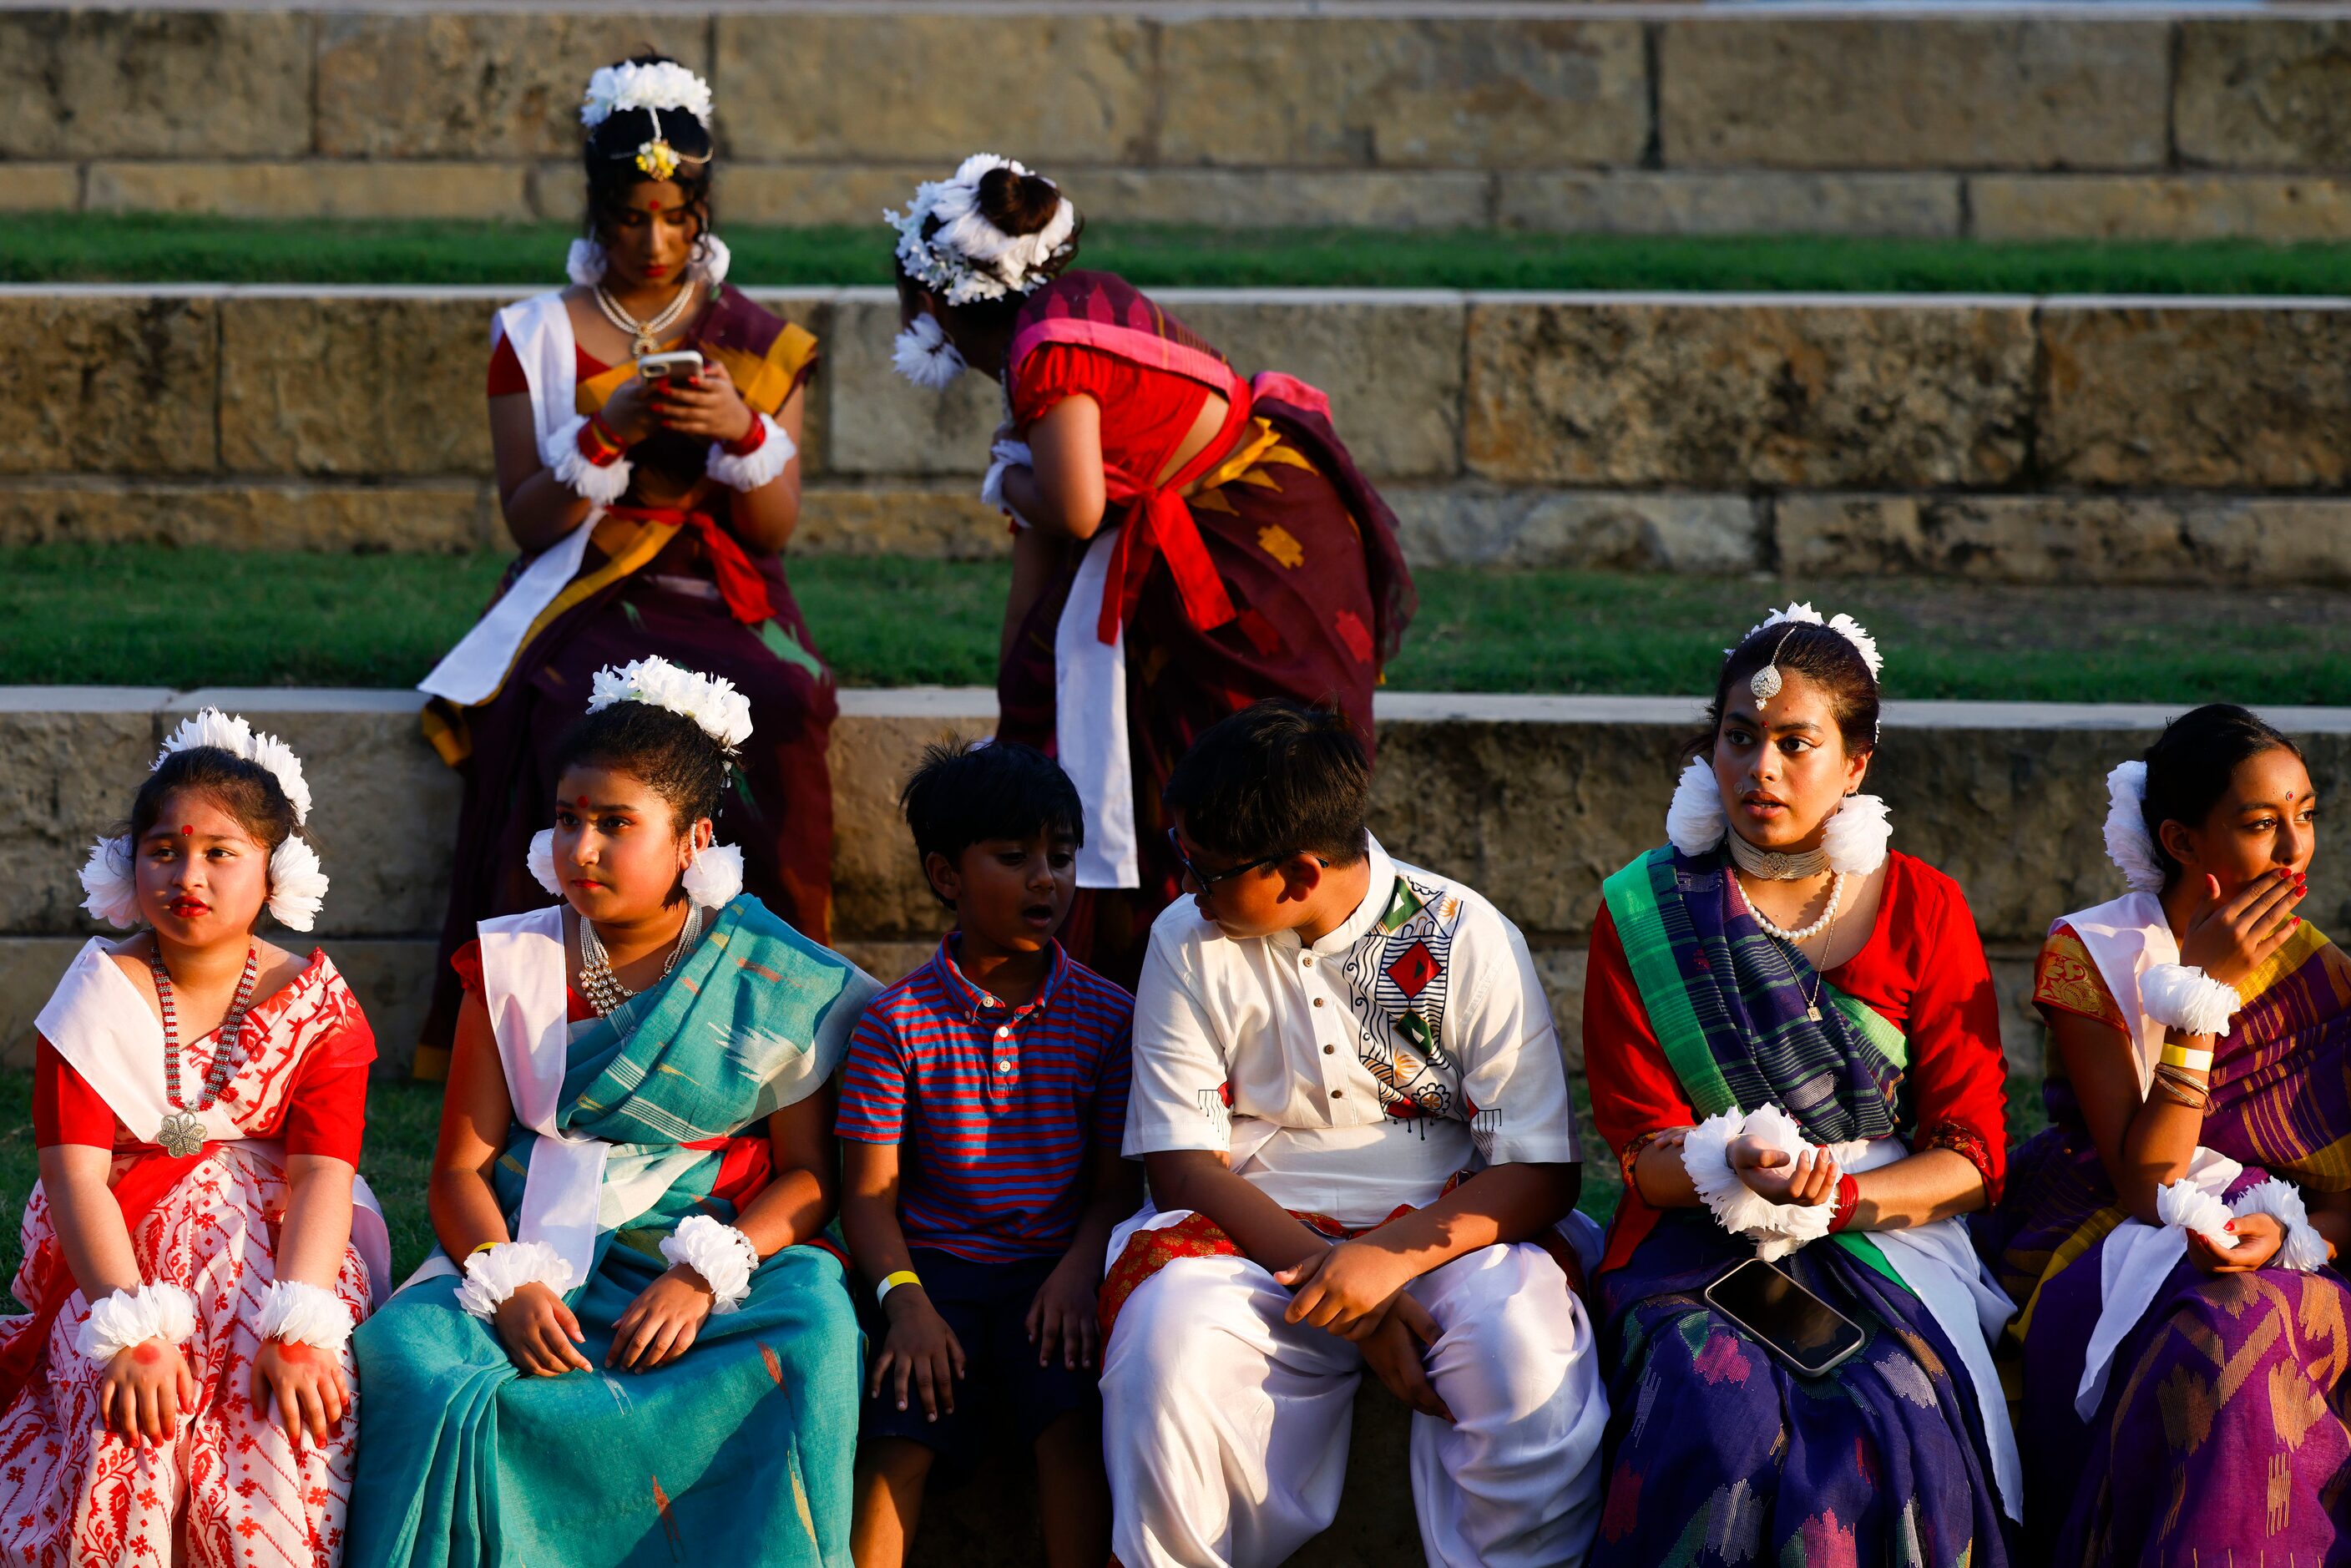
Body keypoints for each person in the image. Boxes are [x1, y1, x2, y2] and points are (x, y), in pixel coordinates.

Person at [346, 656, 873, 1568]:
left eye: (615, 825)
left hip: (705, 1242)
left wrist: (705, 1276)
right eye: (566, 819)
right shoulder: (509, 965)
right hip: (529, 1235)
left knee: (815, 1334)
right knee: (412, 1361)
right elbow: (459, 1171)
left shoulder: (766, 974)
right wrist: (508, 1284)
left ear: (692, 839)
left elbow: (806, 1178)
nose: (580, 849)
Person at [886, 154, 1417, 989]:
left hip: (1245, 544)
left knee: (1260, 779)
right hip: (1247, 524)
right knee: (1154, 754)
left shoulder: (1041, 348)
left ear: (930, 306)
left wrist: (1009, 476)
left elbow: (1072, 510)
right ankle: (1168, 976)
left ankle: (1257, 971)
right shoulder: (1068, 309)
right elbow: (1039, 594)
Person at [1100, 700, 1605, 1568]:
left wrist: (1386, 1263)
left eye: (1208, 871)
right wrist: (1353, 1302)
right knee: (1165, 1349)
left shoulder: (1462, 936)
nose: (1186, 887)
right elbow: (1181, 1167)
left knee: (1524, 1357)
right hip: (1245, 1239)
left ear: (1296, 874)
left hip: (1446, 1234)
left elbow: (1537, 1171)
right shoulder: (1188, 942)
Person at [415, 53, 834, 1075]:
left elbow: (774, 527)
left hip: (722, 577)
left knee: (779, 704)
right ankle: (565, 1009)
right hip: (584, 576)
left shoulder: (758, 342)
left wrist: (738, 424)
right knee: (570, 712)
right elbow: (527, 520)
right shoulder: (535, 335)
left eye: (675, 216)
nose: (653, 241)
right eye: (629, 216)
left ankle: (765, 1005)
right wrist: (602, 432)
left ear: (703, 212)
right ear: (597, 211)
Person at [1581, 604, 2020, 1565]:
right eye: (1739, 738)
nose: (1760, 769)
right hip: (1699, 1238)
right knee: (1713, 1406)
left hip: (1886, 1237)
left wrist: (1840, 1201)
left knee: (1891, 1415)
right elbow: (1636, 1151)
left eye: (1794, 743)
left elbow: (1973, 1157)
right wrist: (1728, 1163)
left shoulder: (1922, 905)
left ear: (1854, 764)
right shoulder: (1645, 912)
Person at [0, 711, 389, 1566]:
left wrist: (297, 1322)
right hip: (120, 1250)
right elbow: (76, 1180)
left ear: (274, 873)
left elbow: (325, 1173)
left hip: (280, 1247)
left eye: (221, 852)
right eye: (164, 849)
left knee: (286, 1403)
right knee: (136, 1407)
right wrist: (128, 1324)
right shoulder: (97, 994)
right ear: (129, 862)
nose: (189, 874)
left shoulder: (318, 1005)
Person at [1979, 704, 2351, 1562]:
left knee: (2244, 1327)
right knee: (2220, 1337)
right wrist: (2198, 999)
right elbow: (2147, 1184)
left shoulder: (2324, 978)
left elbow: (2343, 1208)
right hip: (2108, 1240)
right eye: (2260, 825)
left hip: (2284, 1259)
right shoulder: (2094, 956)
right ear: (2181, 842)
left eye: (2304, 817)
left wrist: (2289, 1234)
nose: (2294, 851)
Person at [837, 740, 1136, 1568]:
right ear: (945, 876)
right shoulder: (895, 1023)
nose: (1046, 879)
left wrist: (1078, 1274)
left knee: (1071, 1427)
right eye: (1013, 858)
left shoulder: (1109, 1018)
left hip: (1055, 1271)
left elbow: (1116, 1188)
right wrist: (906, 1304)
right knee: (901, 1432)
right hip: (932, 1271)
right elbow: (867, 1198)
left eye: (1062, 857)